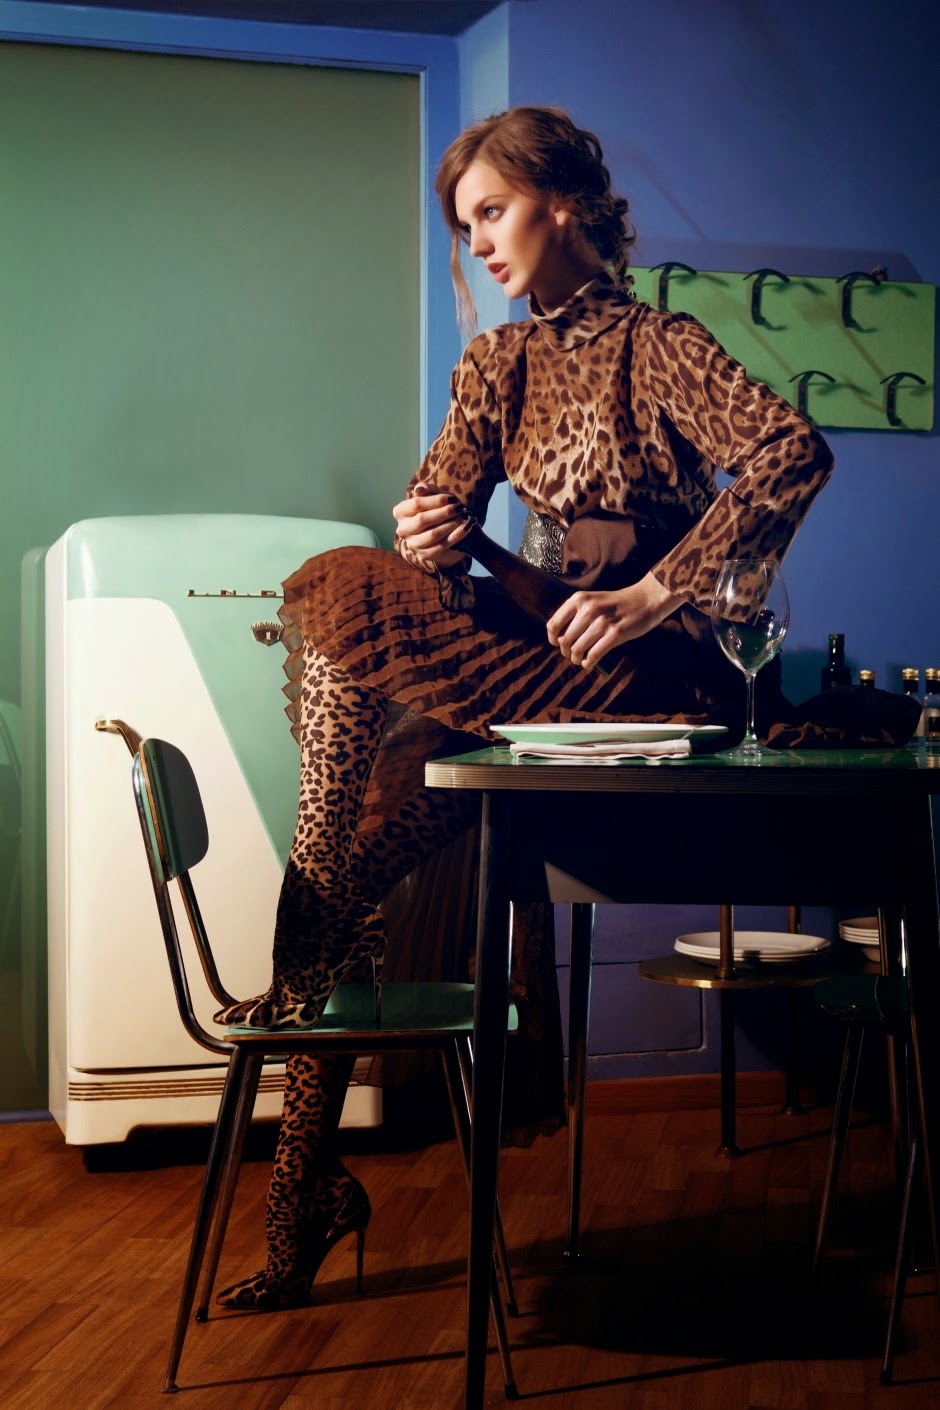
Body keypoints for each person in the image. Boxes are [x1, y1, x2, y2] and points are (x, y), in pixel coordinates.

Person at [212, 105, 834, 1309]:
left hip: (646, 674)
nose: (481, 243)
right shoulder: (495, 364)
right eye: (467, 227)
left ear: (560, 202)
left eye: (492, 212)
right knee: (351, 839)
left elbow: (790, 453)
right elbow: (434, 530)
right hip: (533, 660)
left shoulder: (660, 344)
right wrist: (428, 530)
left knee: (335, 588)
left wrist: (655, 592)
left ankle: (294, 969)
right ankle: (303, 1190)